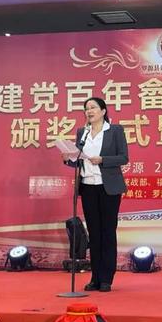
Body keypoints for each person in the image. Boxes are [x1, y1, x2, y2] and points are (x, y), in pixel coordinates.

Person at [63, 97, 128, 292]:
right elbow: (79, 160)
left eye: (93, 107)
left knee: (107, 232)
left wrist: (103, 160)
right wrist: (68, 159)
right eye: (86, 108)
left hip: (108, 188)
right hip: (88, 187)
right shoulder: (82, 133)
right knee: (94, 233)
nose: (89, 111)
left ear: (103, 111)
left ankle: (107, 278)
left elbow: (123, 157)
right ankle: (95, 277)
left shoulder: (115, 131)